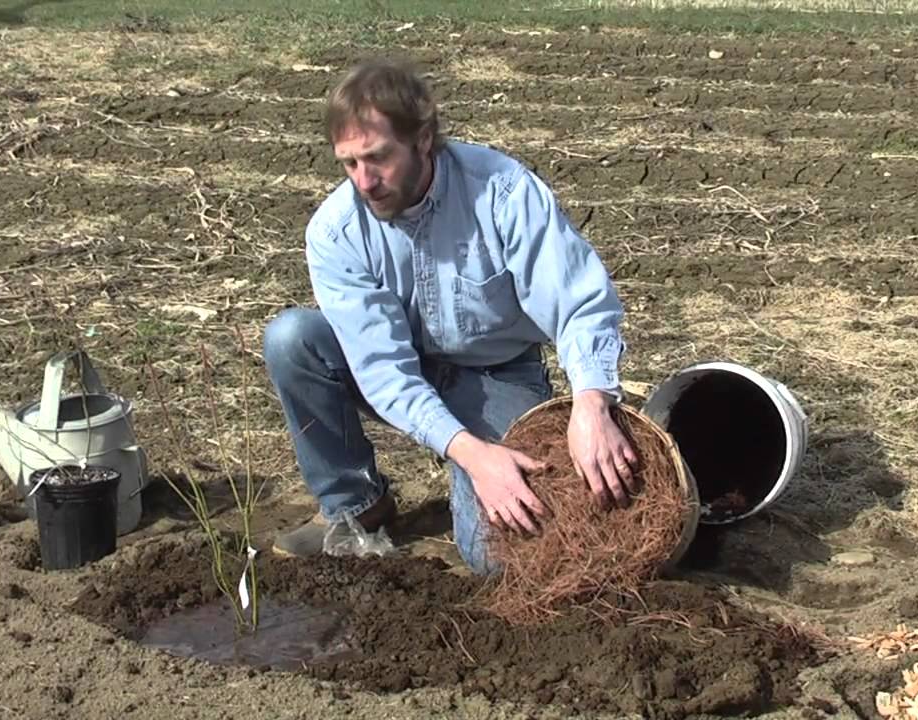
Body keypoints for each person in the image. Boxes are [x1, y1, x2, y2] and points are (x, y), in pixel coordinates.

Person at [263, 57, 638, 574]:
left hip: (496, 373)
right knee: (292, 340)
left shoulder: (503, 191)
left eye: (377, 159)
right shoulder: (337, 231)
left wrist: (592, 405)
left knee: (492, 558)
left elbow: (579, 303)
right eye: (348, 163)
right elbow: (383, 370)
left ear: (422, 140)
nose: (364, 181)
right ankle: (355, 508)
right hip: (403, 368)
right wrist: (473, 455)